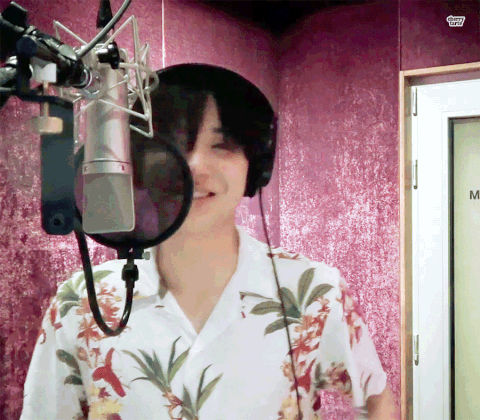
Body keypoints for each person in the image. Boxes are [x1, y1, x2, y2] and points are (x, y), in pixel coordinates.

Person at [21, 64, 397, 420]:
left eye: (223, 145)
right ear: (138, 164)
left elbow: (377, 397)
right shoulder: (80, 303)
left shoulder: (314, 291)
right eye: (175, 144)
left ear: (256, 167)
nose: (196, 165)